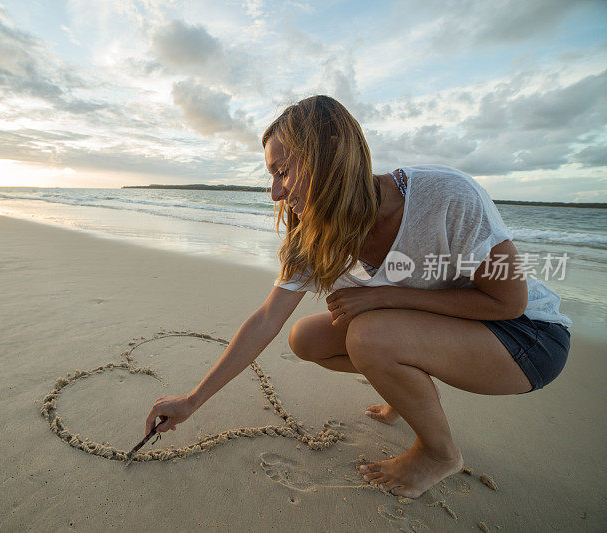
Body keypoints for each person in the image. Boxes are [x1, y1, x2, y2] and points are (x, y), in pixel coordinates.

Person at [143, 95, 572, 499]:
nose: (275, 192)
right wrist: (193, 400)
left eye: (283, 171)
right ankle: (407, 390)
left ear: (329, 153)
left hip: (527, 340)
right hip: (458, 333)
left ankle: (439, 453)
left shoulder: (448, 195)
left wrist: (387, 296)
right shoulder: (317, 233)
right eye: (271, 177)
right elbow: (266, 320)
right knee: (305, 337)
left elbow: (509, 302)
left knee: (369, 334)